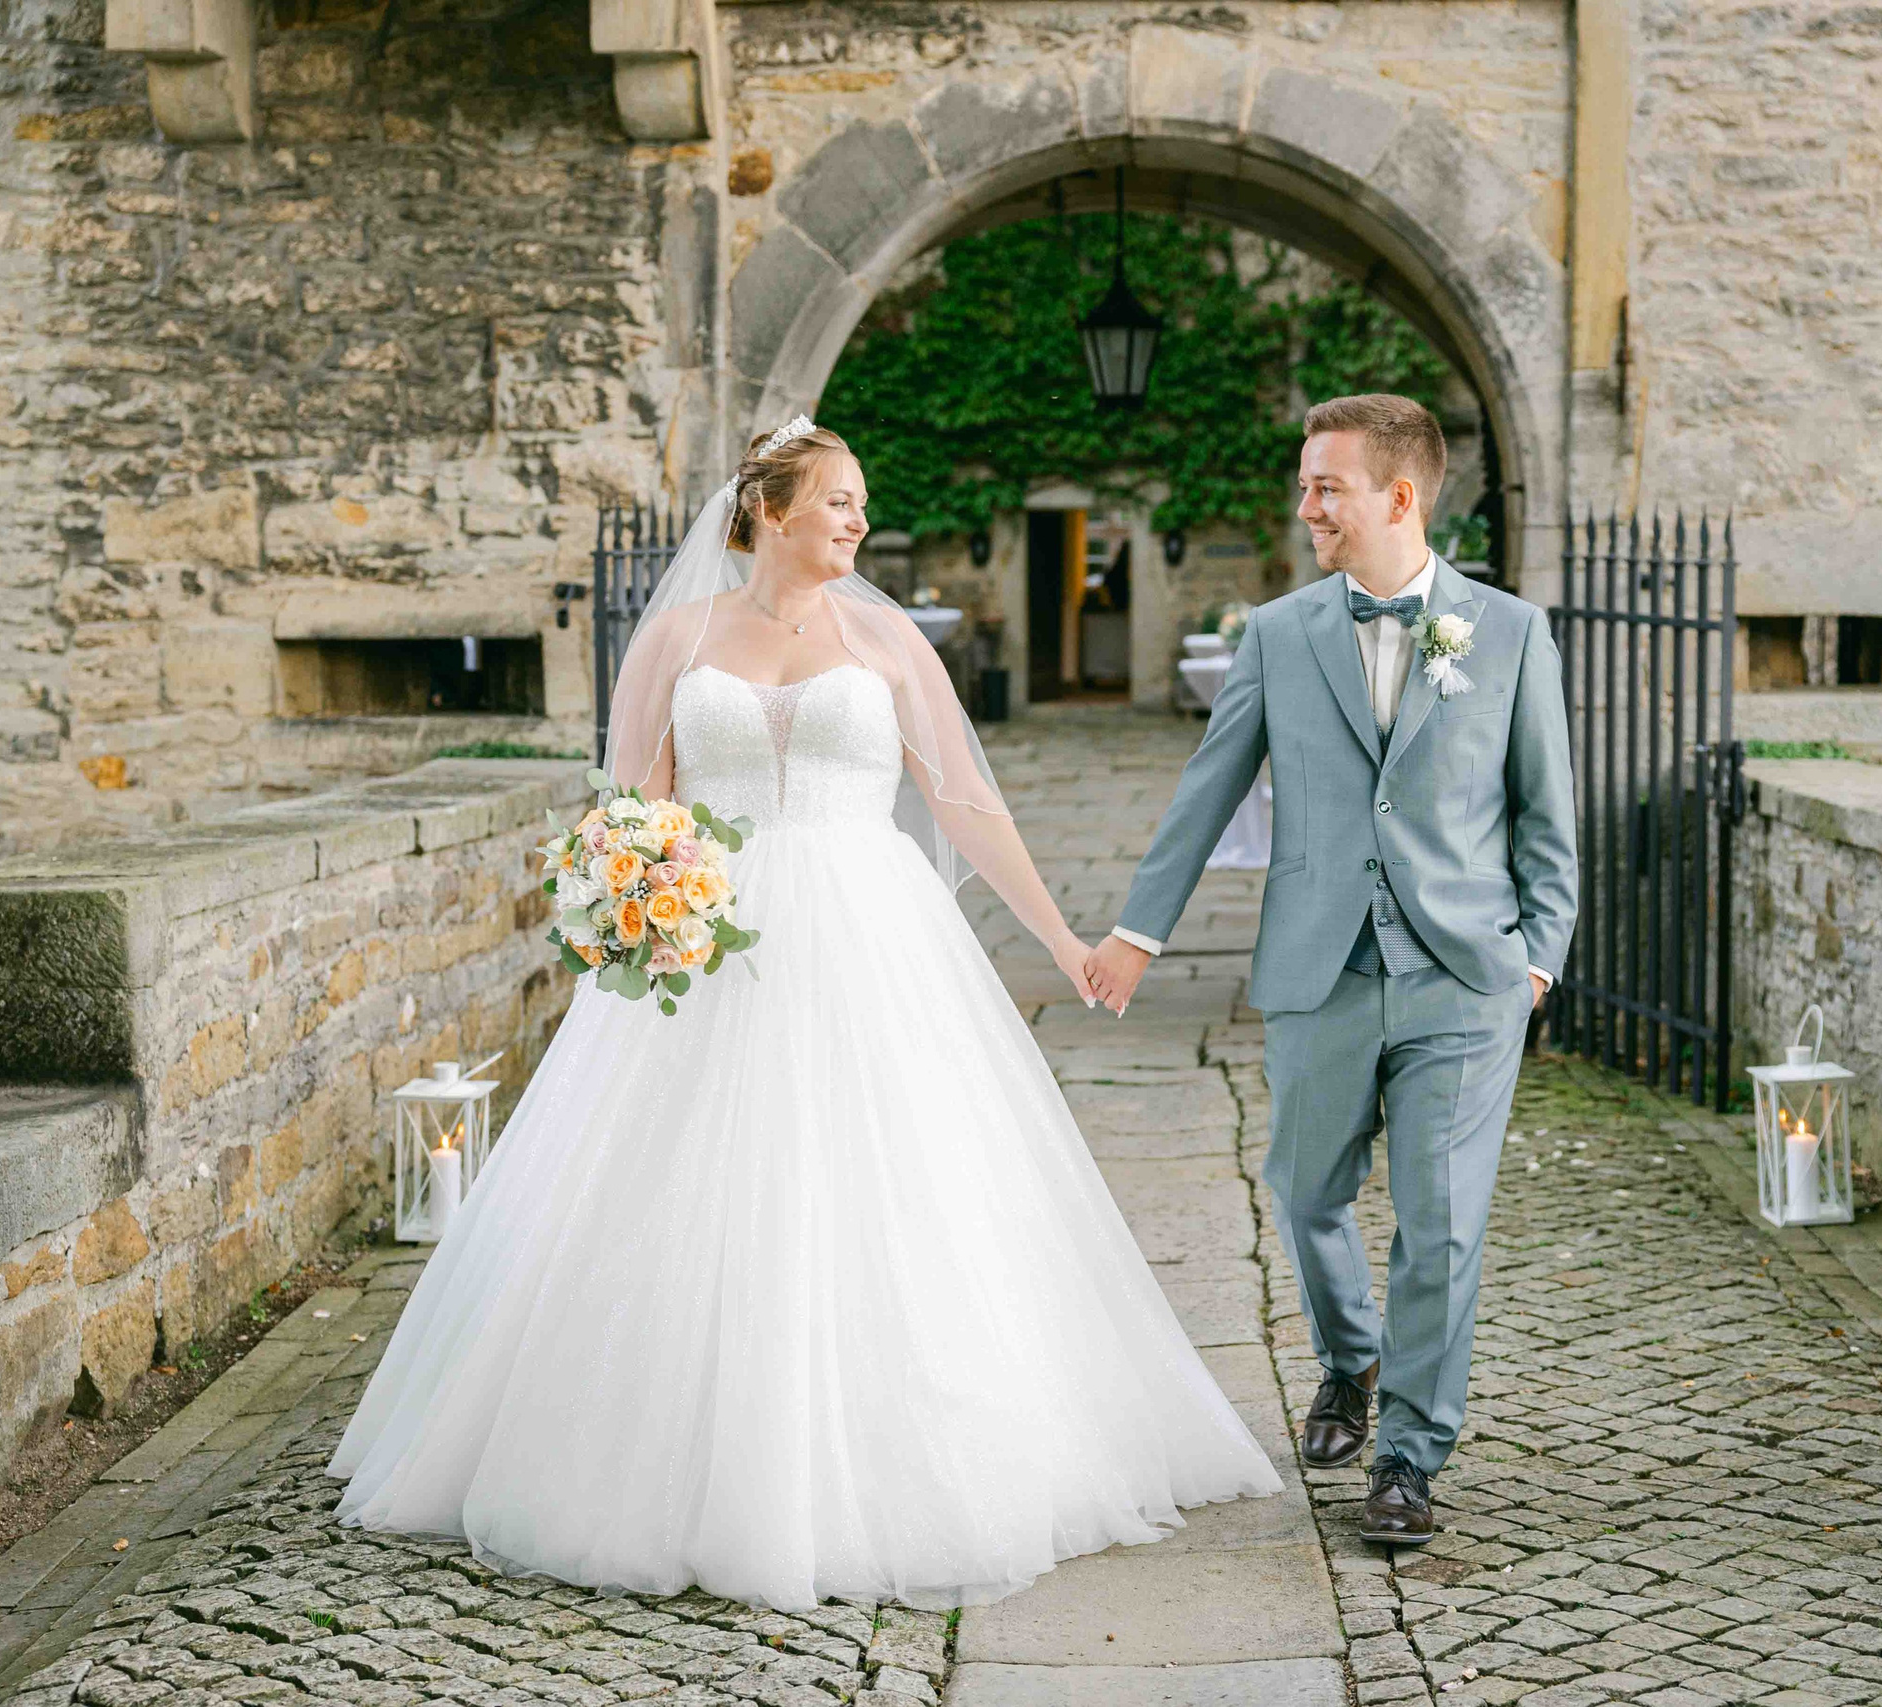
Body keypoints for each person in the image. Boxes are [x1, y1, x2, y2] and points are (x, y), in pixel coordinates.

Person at [327, 418, 1280, 1614]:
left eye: (861, 504)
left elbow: (965, 802)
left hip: (869, 937)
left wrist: (1062, 939)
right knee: (679, 1187)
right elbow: (631, 810)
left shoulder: (884, 642)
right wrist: (630, 900)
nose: (858, 521)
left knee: (889, 1187)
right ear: (770, 510)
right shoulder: (674, 638)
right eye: (838, 501)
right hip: (709, 947)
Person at [1084, 393, 1579, 1545]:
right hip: (1319, 967)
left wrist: (1536, 963)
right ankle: (1348, 1360)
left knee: (1440, 1221)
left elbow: (1546, 821)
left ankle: (1409, 1454)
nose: (1304, 505)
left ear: (1398, 498)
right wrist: (1135, 935)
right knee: (1304, 1192)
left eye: (1325, 486)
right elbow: (1207, 788)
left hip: (1466, 976)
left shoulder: (1508, 634)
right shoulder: (1280, 631)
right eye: (1305, 484)